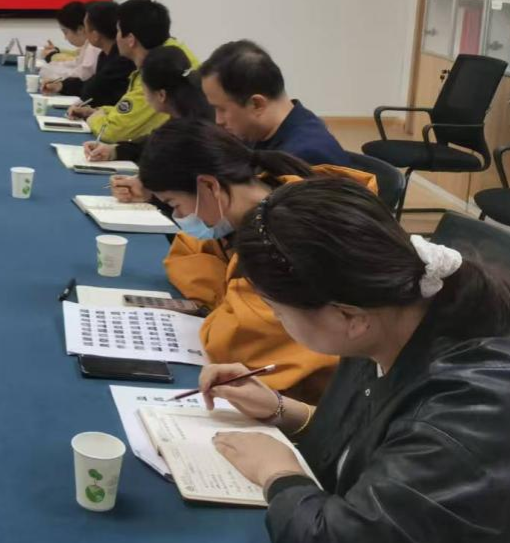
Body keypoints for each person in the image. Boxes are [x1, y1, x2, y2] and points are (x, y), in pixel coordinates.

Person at [202, 178, 510, 543]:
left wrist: (278, 474)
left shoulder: (463, 413)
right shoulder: (391, 321)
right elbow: (379, 440)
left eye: (278, 311)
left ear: (348, 317)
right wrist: (281, 409)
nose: (277, 321)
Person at [136, 119, 377, 401]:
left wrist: (226, 299)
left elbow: (233, 342)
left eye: (175, 204)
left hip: (325, 396)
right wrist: (230, 297)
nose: (179, 217)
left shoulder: (285, 236)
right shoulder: (259, 196)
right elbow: (184, 254)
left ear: (209, 185)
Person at [71, 0, 197, 148]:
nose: (116, 37)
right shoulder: (167, 54)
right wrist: (99, 111)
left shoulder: (161, 69)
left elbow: (113, 131)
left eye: (118, 31)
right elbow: (134, 112)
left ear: (130, 39)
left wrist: (93, 118)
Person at [200, 40, 349, 166]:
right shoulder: (259, 136)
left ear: (256, 104)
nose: (218, 120)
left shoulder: (303, 158)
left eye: (221, 109)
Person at [98, 44, 212, 172]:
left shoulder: (187, 133)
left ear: (161, 95)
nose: (144, 95)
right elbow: (149, 145)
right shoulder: (186, 113)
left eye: (144, 89)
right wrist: (115, 151)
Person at [51, 0, 134, 109]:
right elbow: (89, 84)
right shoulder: (104, 55)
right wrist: (61, 85)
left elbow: (91, 90)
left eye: (86, 29)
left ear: (95, 35)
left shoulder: (121, 60)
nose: (84, 33)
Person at [39, 0, 100, 90]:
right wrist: (52, 65)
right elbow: (76, 63)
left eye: (66, 32)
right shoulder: (87, 45)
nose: (65, 38)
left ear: (80, 29)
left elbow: (81, 75)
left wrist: (50, 71)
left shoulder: (93, 47)